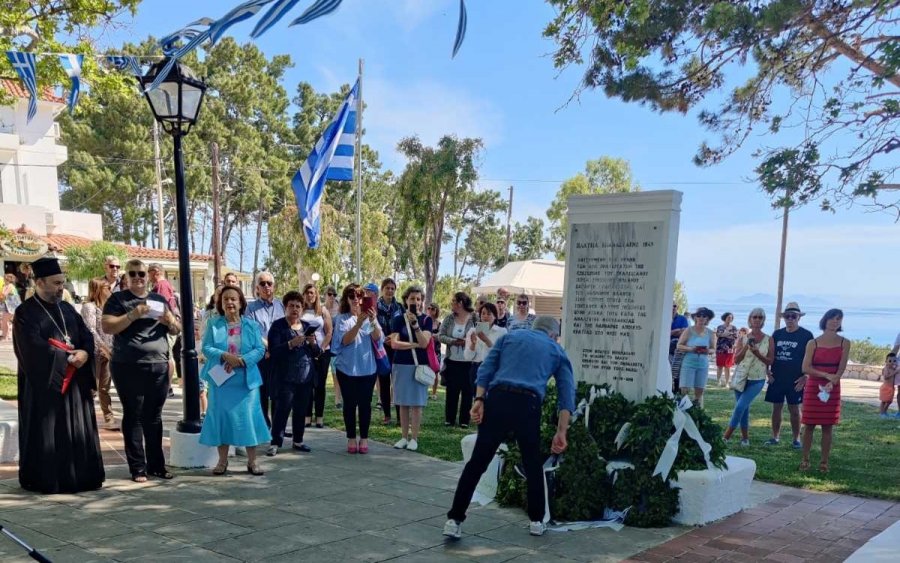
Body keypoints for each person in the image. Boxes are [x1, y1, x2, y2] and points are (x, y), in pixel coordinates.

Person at [444, 316, 575, 540]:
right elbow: (566, 394)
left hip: (498, 400)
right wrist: (561, 431)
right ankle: (536, 521)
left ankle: (454, 520)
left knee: (477, 463)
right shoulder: (556, 350)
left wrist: (479, 400)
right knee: (532, 463)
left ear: (533, 328)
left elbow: (486, 369)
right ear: (554, 335)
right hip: (528, 404)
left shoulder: (510, 338)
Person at [13, 257, 104, 493]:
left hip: (74, 385)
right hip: (45, 386)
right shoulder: (25, 313)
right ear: (39, 282)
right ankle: (47, 479)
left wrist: (84, 352)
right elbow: (31, 347)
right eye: (55, 283)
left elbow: (86, 336)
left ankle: (82, 477)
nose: (60, 288)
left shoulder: (67, 309)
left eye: (62, 282)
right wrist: (66, 358)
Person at [102, 259, 181, 482]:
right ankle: (138, 467)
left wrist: (169, 320)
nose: (138, 278)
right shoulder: (118, 299)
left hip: (157, 363)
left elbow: (176, 328)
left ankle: (157, 465)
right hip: (128, 364)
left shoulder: (159, 299)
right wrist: (133, 315)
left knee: (154, 416)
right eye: (133, 274)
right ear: (126, 277)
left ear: (149, 277)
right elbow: (107, 326)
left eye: (142, 274)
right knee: (133, 414)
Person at [199, 285, 270, 475]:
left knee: (249, 419)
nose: (229, 302)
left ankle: (252, 461)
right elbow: (206, 348)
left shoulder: (252, 325)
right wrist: (224, 356)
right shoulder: (214, 324)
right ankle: (222, 461)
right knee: (222, 420)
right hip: (222, 381)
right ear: (221, 304)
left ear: (240, 302)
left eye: (233, 299)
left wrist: (242, 361)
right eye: (225, 300)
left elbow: (260, 349)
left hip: (246, 381)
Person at [331, 283, 383, 454]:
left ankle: (365, 438)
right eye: (351, 296)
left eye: (359, 296)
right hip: (346, 369)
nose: (355, 299)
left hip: (367, 369)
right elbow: (344, 341)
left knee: (365, 405)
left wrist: (372, 320)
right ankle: (351, 438)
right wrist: (358, 324)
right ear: (346, 299)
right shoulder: (342, 318)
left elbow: (377, 338)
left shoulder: (369, 317)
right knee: (349, 405)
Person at [266, 291, 320, 456]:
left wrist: (313, 344)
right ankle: (275, 442)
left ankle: (298, 440)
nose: (295, 309)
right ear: (285, 307)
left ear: (302, 309)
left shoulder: (306, 326)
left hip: (305, 376)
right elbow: (273, 351)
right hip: (285, 377)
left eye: (298, 306)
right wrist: (290, 343)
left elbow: (317, 353)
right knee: (282, 409)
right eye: (291, 306)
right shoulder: (278, 326)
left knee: (301, 410)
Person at [799, 309, 851, 473]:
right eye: (832, 319)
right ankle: (805, 459)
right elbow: (805, 367)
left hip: (832, 387)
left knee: (828, 426)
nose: (835, 322)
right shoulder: (813, 343)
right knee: (809, 425)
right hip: (814, 385)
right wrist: (825, 375)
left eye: (839, 319)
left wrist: (833, 380)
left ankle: (824, 462)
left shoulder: (845, 343)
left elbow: (841, 368)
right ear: (825, 320)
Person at [764, 303, 815, 448]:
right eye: (788, 316)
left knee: (794, 409)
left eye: (794, 316)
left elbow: (812, 358)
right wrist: (767, 370)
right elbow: (770, 354)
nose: (790, 319)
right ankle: (775, 437)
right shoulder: (777, 334)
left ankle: (796, 439)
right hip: (777, 378)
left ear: (799, 318)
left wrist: (806, 376)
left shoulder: (806, 335)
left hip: (796, 379)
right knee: (776, 408)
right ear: (784, 318)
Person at [389, 285, 433, 451]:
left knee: (416, 404)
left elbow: (425, 343)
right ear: (406, 300)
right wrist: (414, 344)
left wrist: (415, 326)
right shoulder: (398, 319)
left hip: (418, 366)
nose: (416, 302)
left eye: (418, 299)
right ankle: (403, 437)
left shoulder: (426, 320)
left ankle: (414, 438)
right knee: (403, 403)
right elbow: (394, 343)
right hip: (401, 364)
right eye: (412, 299)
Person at [722, 308, 774, 446]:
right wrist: (746, 346)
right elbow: (736, 360)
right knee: (743, 409)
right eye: (754, 317)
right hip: (741, 377)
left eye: (760, 317)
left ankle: (725, 437)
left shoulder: (769, 339)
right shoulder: (742, 338)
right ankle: (745, 439)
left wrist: (757, 353)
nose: (757, 319)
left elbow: (770, 361)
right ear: (750, 319)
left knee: (739, 407)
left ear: (763, 320)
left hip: (757, 379)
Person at [245, 271, 285, 428]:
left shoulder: (281, 306)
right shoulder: (251, 308)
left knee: (278, 393)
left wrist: (276, 348)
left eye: (269, 283)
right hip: (261, 356)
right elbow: (251, 332)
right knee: (261, 393)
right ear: (257, 287)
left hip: (279, 357)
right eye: (263, 283)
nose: (266, 286)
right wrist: (268, 346)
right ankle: (263, 425)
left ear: (274, 286)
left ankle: (276, 427)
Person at [81, 278, 118, 430]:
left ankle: (109, 418)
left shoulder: (109, 307)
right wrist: (103, 347)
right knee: (92, 387)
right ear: (98, 289)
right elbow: (90, 329)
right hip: (95, 352)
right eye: (106, 287)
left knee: (105, 387)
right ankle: (85, 418)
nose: (109, 290)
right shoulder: (89, 307)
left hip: (109, 352)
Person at [439, 292, 476, 427]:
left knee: (468, 391)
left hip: (469, 362)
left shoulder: (475, 318)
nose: (451, 304)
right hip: (452, 360)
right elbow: (441, 336)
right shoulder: (449, 318)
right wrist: (454, 341)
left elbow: (480, 335)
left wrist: (468, 341)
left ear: (460, 303)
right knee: (452, 391)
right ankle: (449, 419)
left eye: (453, 301)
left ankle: (464, 420)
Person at [300, 283, 332, 429]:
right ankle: (307, 416)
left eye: (312, 293)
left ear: (316, 294)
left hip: (322, 352)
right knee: (306, 384)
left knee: (320, 385)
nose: (310, 295)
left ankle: (319, 416)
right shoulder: (300, 310)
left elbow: (329, 331)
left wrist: (322, 348)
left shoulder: (322, 310)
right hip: (305, 351)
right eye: (307, 293)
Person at [148, 263, 180, 398]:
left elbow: (159, 307)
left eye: (148, 272)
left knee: (167, 356)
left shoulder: (161, 286)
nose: (147, 276)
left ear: (155, 272)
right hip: (166, 326)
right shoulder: (165, 285)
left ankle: (167, 387)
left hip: (166, 327)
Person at [375, 278, 404, 424]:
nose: (390, 291)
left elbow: (404, 327)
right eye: (387, 288)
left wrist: (394, 336)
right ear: (382, 289)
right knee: (384, 382)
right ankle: (387, 415)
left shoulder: (399, 307)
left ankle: (401, 416)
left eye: (393, 288)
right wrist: (382, 338)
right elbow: (371, 326)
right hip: (381, 348)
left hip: (396, 348)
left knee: (397, 383)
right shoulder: (375, 307)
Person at [464, 303, 507, 396]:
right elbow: (467, 357)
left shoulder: (502, 332)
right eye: (483, 313)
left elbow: (502, 354)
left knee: (491, 399)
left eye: (489, 314)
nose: (485, 316)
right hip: (476, 368)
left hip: (493, 369)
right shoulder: (472, 331)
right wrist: (473, 344)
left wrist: (486, 341)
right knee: (477, 399)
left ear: (495, 316)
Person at [676, 307, 717, 405]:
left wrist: (707, 351)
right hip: (688, 363)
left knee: (699, 391)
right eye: (699, 315)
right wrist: (691, 349)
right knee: (684, 390)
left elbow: (713, 349)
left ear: (707, 319)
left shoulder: (710, 333)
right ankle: (684, 411)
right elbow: (679, 345)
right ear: (695, 318)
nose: (701, 318)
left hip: (702, 365)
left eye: (704, 316)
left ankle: (698, 412)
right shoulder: (688, 330)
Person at [324, 286, 342, 408]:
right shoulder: (321, 308)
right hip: (324, 344)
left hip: (336, 345)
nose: (332, 297)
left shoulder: (339, 308)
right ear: (325, 295)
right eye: (329, 294)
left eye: (334, 294)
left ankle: (338, 398)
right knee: (323, 373)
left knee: (336, 371)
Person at [715, 312, 739, 387]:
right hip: (720, 349)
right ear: (724, 318)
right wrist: (727, 334)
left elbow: (735, 337)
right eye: (728, 317)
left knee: (728, 367)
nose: (730, 319)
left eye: (731, 318)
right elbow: (718, 334)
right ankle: (718, 381)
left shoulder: (734, 328)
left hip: (729, 350)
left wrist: (724, 334)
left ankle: (727, 383)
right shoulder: (720, 327)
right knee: (719, 366)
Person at [427, 302, 442, 399]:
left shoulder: (439, 324)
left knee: (435, 371)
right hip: (426, 350)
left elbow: (440, 337)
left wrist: (430, 336)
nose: (430, 310)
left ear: (436, 311)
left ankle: (434, 392)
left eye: (433, 309)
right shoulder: (424, 321)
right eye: (429, 308)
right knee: (424, 369)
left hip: (435, 351)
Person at [0, 273, 19, 340]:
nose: (3, 279)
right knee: (7, 322)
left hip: (12, 307)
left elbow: (3, 295)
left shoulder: (10, 286)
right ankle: (8, 336)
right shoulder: (7, 286)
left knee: (4, 321)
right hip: (9, 307)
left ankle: (5, 337)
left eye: (4, 278)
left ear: (8, 279)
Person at [879, 353, 898, 418]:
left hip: (891, 388)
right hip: (886, 387)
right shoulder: (886, 368)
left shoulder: (893, 368)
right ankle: (882, 413)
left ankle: (885, 411)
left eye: (894, 361)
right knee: (884, 401)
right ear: (886, 362)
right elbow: (886, 377)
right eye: (890, 361)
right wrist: (894, 372)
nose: (892, 362)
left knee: (889, 401)